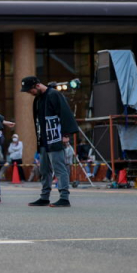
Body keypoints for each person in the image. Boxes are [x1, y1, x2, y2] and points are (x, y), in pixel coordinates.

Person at [23, 75, 79, 207]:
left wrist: (65, 134)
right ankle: (44, 196)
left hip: (55, 137)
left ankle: (64, 197)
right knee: (44, 169)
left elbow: (65, 113)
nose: (29, 93)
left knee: (59, 168)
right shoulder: (38, 99)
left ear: (37, 85)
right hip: (43, 139)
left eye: (29, 90)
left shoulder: (54, 94)